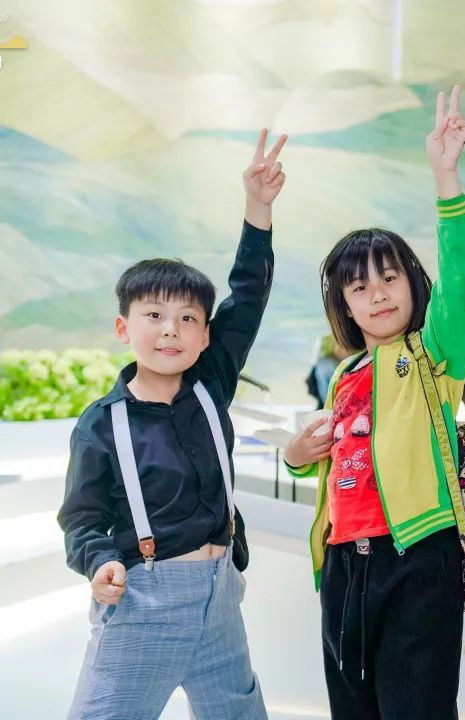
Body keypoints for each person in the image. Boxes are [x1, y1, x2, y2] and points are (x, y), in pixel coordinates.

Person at [57, 129, 287, 720]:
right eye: (154, 314)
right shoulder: (101, 425)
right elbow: (81, 519)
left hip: (221, 600)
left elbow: (247, 295)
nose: (170, 329)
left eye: (188, 318)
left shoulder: (211, 385)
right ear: (123, 328)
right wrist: (100, 564)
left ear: (205, 335)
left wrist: (257, 209)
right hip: (143, 607)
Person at [283, 85, 465, 720]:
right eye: (359, 287)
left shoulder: (432, 354)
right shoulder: (344, 374)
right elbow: (338, 461)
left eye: (390, 277)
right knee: (353, 710)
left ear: (413, 283)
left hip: (418, 554)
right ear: (344, 305)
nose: (378, 294)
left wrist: (446, 179)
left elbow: (461, 280)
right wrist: (296, 457)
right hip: (344, 563)